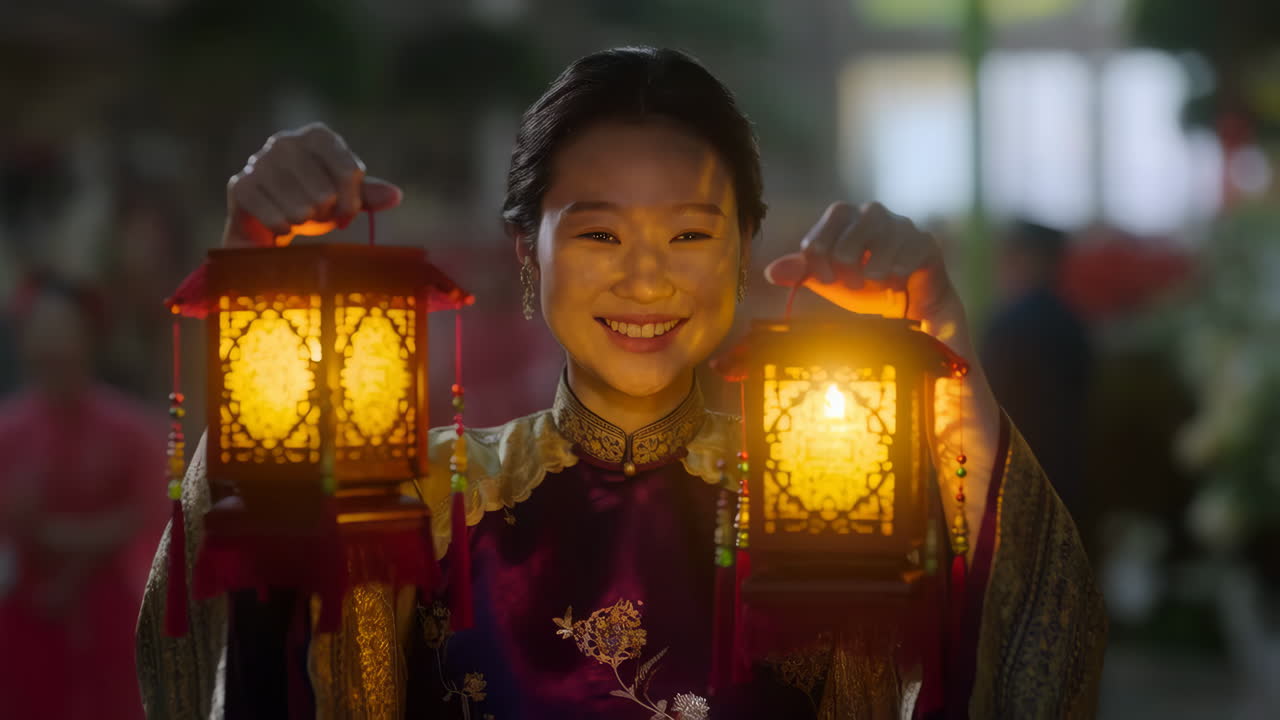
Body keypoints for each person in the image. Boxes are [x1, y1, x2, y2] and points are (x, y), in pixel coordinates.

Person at [137, 47, 1105, 718]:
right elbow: (239, 659)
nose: (645, 279)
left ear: (742, 253)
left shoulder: (830, 498)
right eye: (598, 233)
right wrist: (256, 285)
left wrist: (946, 359)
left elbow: (1020, 667)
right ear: (527, 252)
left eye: (689, 234)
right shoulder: (422, 510)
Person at [0, 272, 166, 720]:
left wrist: (60, 538)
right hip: (24, 618)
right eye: (41, 334)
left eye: (63, 334)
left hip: (111, 615)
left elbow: (153, 517)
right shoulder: (7, 434)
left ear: (89, 341)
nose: (52, 349)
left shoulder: (132, 432)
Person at [980, 220, 1093, 528]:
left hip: (1016, 473)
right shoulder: (1074, 322)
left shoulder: (1010, 325)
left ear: (1029, 258)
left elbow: (988, 403)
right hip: (1068, 471)